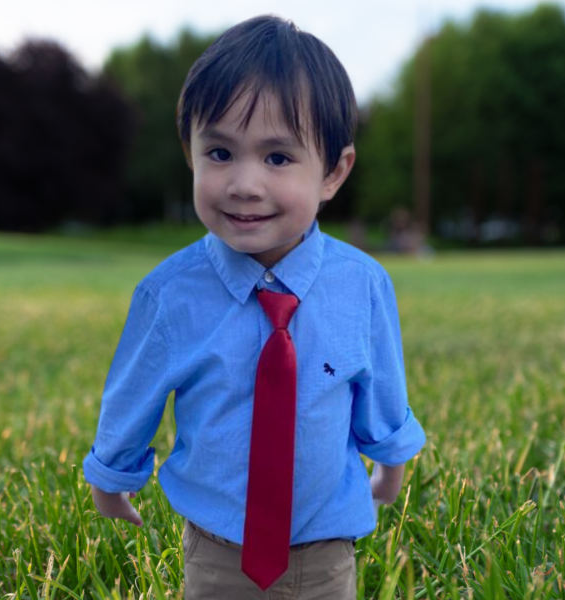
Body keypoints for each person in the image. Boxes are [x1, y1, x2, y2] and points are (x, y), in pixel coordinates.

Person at [83, 15, 426, 600]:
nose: (244, 183)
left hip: (326, 545)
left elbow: (380, 387)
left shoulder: (363, 285)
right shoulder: (169, 295)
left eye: (277, 158)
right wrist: (111, 478)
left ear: (333, 172)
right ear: (191, 155)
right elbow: (132, 394)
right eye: (219, 151)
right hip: (218, 549)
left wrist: (390, 464)